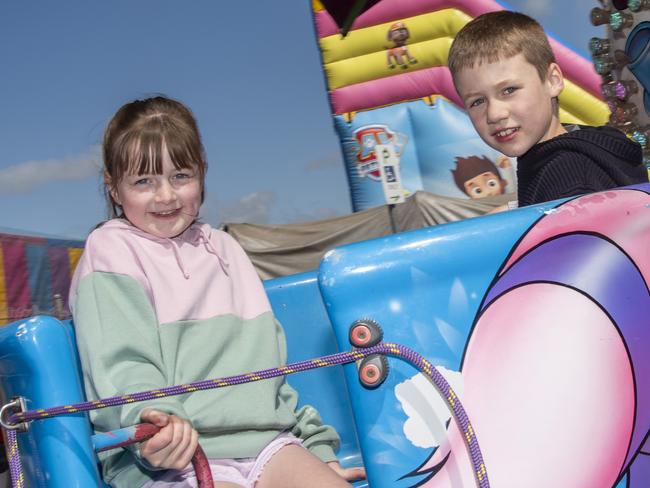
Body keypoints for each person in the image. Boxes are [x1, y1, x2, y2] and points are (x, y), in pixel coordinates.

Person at [69, 96, 365, 488]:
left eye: (180, 176)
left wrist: (317, 449)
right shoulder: (111, 250)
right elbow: (123, 368)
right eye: (144, 181)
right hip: (169, 458)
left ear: (202, 173)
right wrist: (153, 424)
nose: (166, 196)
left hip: (267, 445)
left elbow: (271, 373)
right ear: (113, 187)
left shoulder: (227, 251)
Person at [447, 10, 648, 208]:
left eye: (509, 90)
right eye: (477, 101)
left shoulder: (566, 179)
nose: (494, 114)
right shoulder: (587, 149)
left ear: (553, 80)